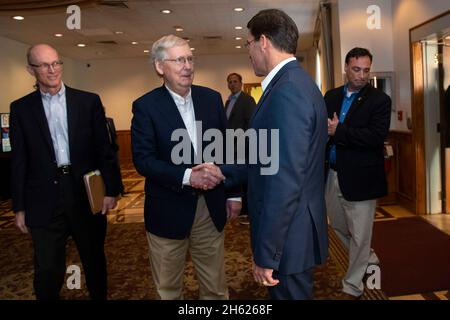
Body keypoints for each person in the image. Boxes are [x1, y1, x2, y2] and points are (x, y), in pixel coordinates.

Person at [211, 9, 328, 300]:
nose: (248, 52)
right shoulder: (295, 83)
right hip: (294, 231)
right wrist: (222, 171)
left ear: (263, 41)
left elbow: (284, 180)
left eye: (247, 44)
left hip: (288, 237)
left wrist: (267, 254)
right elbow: (269, 161)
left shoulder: (286, 91)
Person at [131, 35, 241, 300]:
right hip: (168, 209)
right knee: (168, 290)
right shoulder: (146, 106)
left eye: (190, 58)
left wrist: (234, 193)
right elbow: (144, 160)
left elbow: (228, 148)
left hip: (209, 206)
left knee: (215, 288)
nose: (188, 66)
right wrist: (188, 176)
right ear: (160, 67)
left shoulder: (211, 99)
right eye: (179, 60)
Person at [10, 44, 121, 300]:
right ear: (31, 70)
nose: (53, 70)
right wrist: (19, 207)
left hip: (84, 192)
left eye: (56, 63)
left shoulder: (88, 101)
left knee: (94, 259)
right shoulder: (21, 109)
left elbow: (104, 149)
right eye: (45, 65)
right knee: (48, 267)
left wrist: (111, 190)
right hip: (42, 197)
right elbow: (19, 160)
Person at [324, 47, 391, 300]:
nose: (362, 75)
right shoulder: (330, 96)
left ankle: (352, 286)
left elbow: (375, 137)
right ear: (346, 67)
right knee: (340, 228)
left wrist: (339, 131)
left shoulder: (379, 100)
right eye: (356, 69)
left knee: (361, 235)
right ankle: (368, 257)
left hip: (362, 179)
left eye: (366, 70)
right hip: (331, 176)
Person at [225, 73, 256, 224]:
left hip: (243, 148)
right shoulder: (228, 101)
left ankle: (248, 213)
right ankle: (241, 211)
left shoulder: (247, 100)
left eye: (235, 82)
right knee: (236, 178)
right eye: (230, 82)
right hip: (231, 148)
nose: (232, 84)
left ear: (241, 83)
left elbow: (251, 126)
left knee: (245, 181)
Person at [105, 116, 125, 195]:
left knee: (117, 169)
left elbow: (113, 134)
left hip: (113, 149)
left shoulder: (110, 120)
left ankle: (121, 189)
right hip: (105, 150)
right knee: (110, 170)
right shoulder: (97, 121)